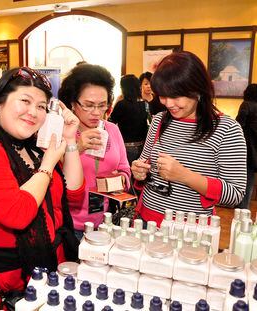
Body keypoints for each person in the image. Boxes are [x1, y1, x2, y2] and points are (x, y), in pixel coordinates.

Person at [0, 67, 85, 310]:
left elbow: (74, 193)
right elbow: (18, 214)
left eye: (42, 106)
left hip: (48, 272)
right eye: (25, 101)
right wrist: (47, 166)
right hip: (6, 285)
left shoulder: (31, 147)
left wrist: (70, 140)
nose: (33, 112)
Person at [131, 51, 247, 226]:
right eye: (162, 95)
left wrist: (185, 176)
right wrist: (139, 172)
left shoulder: (227, 129)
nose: (168, 103)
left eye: (175, 96)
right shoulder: (159, 121)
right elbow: (145, 163)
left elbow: (235, 194)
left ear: (197, 90)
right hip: (147, 222)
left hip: (191, 230)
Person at [58, 63, 130, 239]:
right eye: (89, 105)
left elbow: (124, 170)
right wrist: (77, 147)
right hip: (69, 223)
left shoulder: (112, 129)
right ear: (73, 103)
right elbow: (49, 173)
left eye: (102, 105)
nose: (96, 112)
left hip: (107, 222)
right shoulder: (60, 131)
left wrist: (118, 181)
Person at [109, 74, 148, 165]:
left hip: (126, 147)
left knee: (127, 174)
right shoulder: (145, 104)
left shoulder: (121, 104)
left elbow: (110, 122)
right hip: (143, 147)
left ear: (124, 88)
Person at [236, 83, 257, 209]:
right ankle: (245, 207)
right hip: (255, 148)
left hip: (247, 147)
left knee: (245, 178)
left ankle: (242, 207)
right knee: (251, 179)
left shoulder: (246, 105)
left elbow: (239, 125)